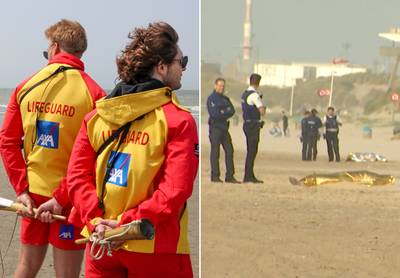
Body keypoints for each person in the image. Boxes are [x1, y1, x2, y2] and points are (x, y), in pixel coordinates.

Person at [66, 22, 198, 277]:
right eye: (181, 62)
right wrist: (127, 225)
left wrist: (96, 221)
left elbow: (76, 179)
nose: (183, 70)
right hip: (153, 244)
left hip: (100, 242)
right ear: (161, 66)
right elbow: (175, 190)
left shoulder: (97, 115)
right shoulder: (178, 120)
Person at [0, 19, 106, 277]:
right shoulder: (95, 93)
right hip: (69, 199)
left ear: (55, 47)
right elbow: (96, 157)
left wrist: (22, 189)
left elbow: (7, 141)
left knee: (25, 267)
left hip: (33, 196)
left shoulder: (25, 86)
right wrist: (59, 199)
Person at [207, 78, 240, 183]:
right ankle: (215, 176)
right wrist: (223, 111)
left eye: (223, 86)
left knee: (229, 151)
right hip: (215, 128)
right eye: (220, 85)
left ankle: (230, 176)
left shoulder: (225, 99)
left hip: (225, 128)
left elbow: (232, 110)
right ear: (215, 86)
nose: (221, 88)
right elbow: (214, 114)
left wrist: (222, 111)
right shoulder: (211, 99)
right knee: (215, 152)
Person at [241, 73, 265, 183]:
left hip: (247, 124)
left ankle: (249, 174)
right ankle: (248, 176)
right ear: (258, 83)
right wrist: (262, 103)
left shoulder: (244, 94)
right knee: (252, 151)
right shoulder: (254, 95)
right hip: (253, 125)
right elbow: (262, 111)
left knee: (250, 151)